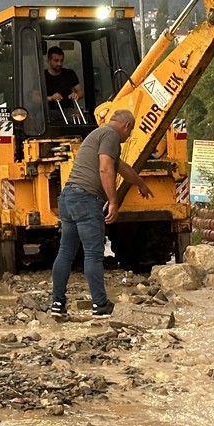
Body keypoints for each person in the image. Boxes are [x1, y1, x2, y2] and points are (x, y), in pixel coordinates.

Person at [50, 109, 151, 319]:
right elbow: (106, 169)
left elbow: (122, 167)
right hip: (86, 200)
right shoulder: (111, 135)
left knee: (66, 252)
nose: (127, 139)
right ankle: (100, 306)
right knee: (93, 254)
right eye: (129, 134)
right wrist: (113, 201)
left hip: (68, 197)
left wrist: (140, 184)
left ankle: (57, 305)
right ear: (127, 126)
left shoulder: (97, 135)